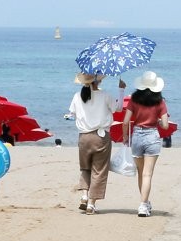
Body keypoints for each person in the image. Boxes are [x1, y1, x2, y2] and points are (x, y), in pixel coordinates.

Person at [68, 72, 125, 214]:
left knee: (85, 167)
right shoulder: (105, 95)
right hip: (101, 137)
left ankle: (84, 195)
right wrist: (121, 90)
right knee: (99, 170)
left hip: (84, 137)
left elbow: (72, 114)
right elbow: (118, 109)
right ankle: (91, 204)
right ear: (98, 81)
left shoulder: (77, 96)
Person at [122, 71, 169, 217]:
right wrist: (159, 121)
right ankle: (143, 205)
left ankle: (145, 203)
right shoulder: (160, 102)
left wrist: (125, 137)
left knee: (141, 174)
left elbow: (125, 122)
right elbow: (166, 126)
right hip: (152, 136)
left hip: (136, 135)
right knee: (148, 174)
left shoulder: (134, 100)